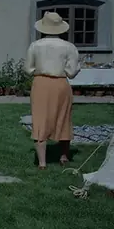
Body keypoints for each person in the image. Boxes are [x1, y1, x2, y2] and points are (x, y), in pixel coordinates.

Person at [26, 11, 81, 169]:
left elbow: (28, 69)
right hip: (61, 83)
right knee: (63, 117)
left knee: (40, 119)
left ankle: (42, 163)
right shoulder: (69, 47)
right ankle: (63, 156)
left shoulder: (35, 45)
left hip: (41, 83)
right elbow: (72, 72)